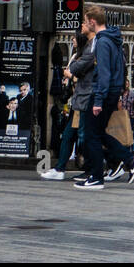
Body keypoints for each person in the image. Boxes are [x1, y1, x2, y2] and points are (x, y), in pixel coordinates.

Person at [76, 6, 134, 189]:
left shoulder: (103, 42)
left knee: (91, 134)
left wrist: (98, 100)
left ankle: (97, 177)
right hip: (112, 92)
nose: (84, 23)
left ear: (92, 22)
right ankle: (130, 160)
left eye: (85, 20)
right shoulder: (112, 39)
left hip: (104, 93)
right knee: (97, 133)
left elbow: (104, 73)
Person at [40, 27, 90, 180]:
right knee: (69, 135)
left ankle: (117, 162)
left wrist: (71, 76)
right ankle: (61, 168)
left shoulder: (85, 55)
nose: (72, 40)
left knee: (84, 137)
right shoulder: (76, 55)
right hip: (76, 101)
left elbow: (85, 78)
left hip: (83, 102)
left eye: (75, 38)